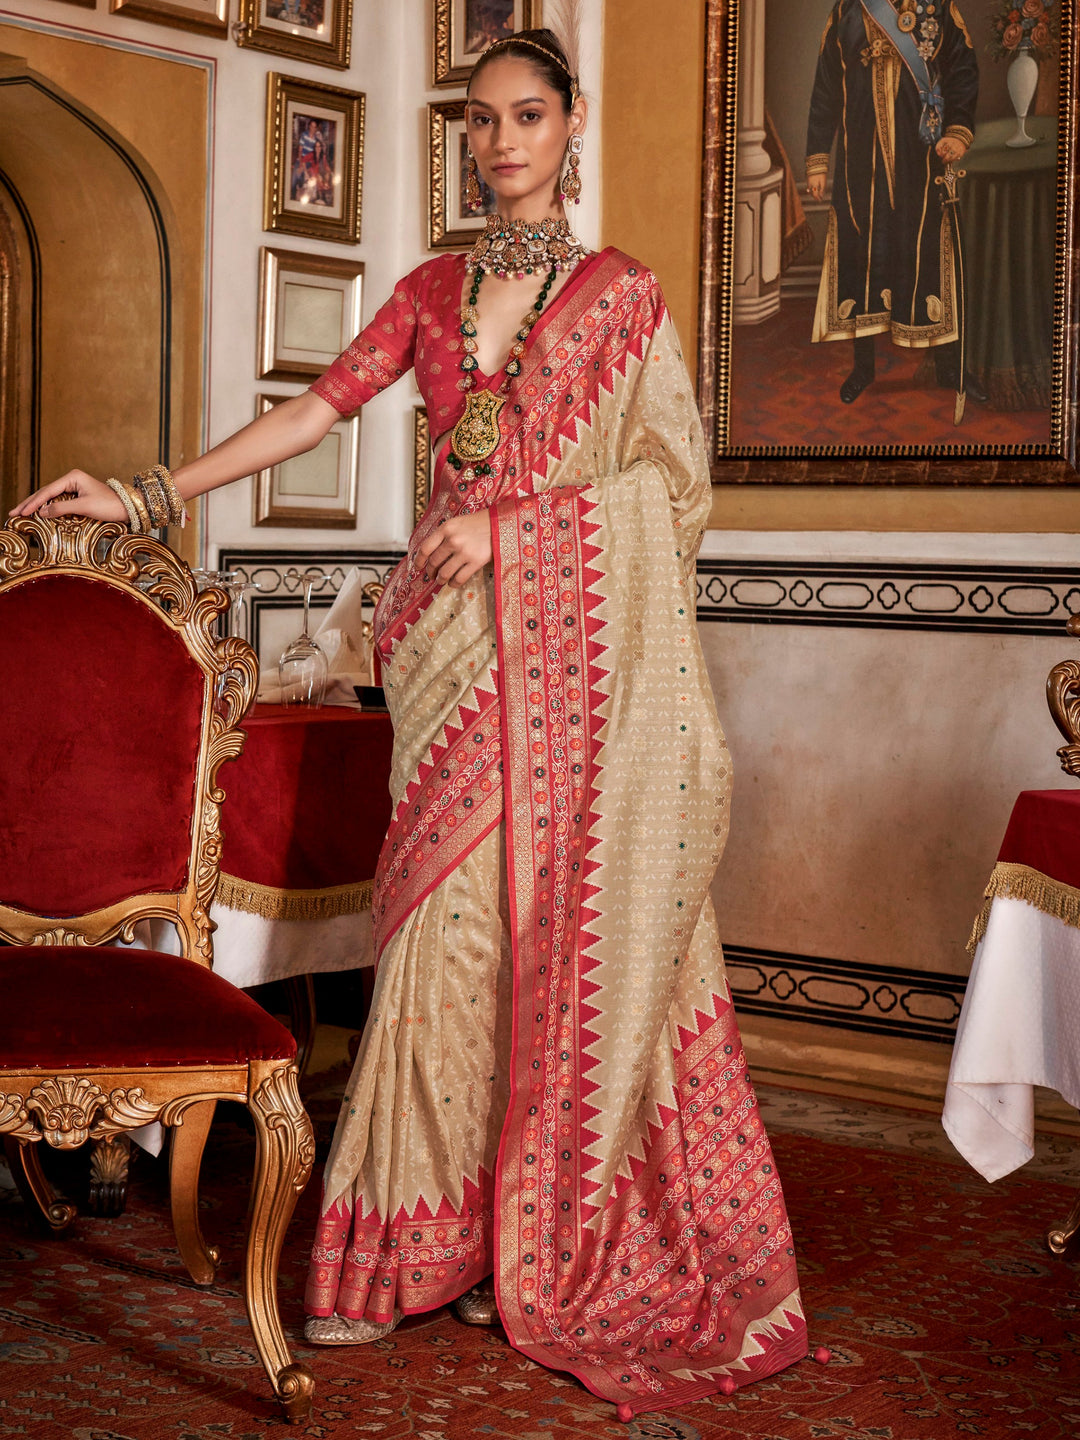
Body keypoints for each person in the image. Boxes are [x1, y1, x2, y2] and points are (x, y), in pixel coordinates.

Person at [11, 26, 808, 1419]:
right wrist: (143, 493)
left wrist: (518, 535)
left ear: (571, 125)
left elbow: (672, 493)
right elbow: (313, 411)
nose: (502, 142)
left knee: (552, 938)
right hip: (446, 660)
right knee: (440, 941)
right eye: (480, 120)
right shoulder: (433, 291)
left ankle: (545, 1234)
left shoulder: (623, 299)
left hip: (573, 668)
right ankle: (420, 1242)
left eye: (526, 116)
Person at [806, 0, 981, 405]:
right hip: (860, 164)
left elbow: (963, 73)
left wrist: (957, 132)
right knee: (864, 259)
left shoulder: (940, 9)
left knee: (929, 257)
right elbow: (826, 87)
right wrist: (818, 159)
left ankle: (950, 369)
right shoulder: (849, 11)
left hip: (923, 158)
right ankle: (863, 369)